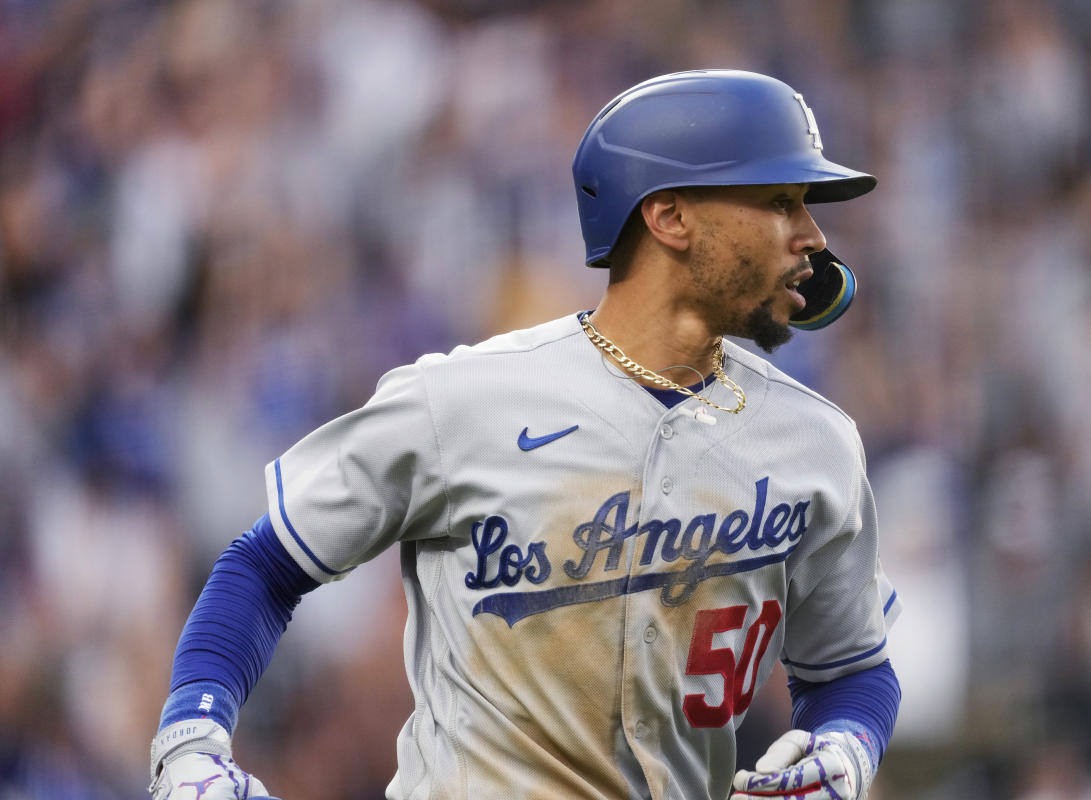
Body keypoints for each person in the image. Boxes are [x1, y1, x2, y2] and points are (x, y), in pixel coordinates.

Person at [149, 69, 902, 800]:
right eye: (780, 201)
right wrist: (192, 739)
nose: (812, 235)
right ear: (670, 217)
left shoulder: (816, 444)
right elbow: (265, 564)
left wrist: (846, 747)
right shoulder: (465, 402)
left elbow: (850, 669)